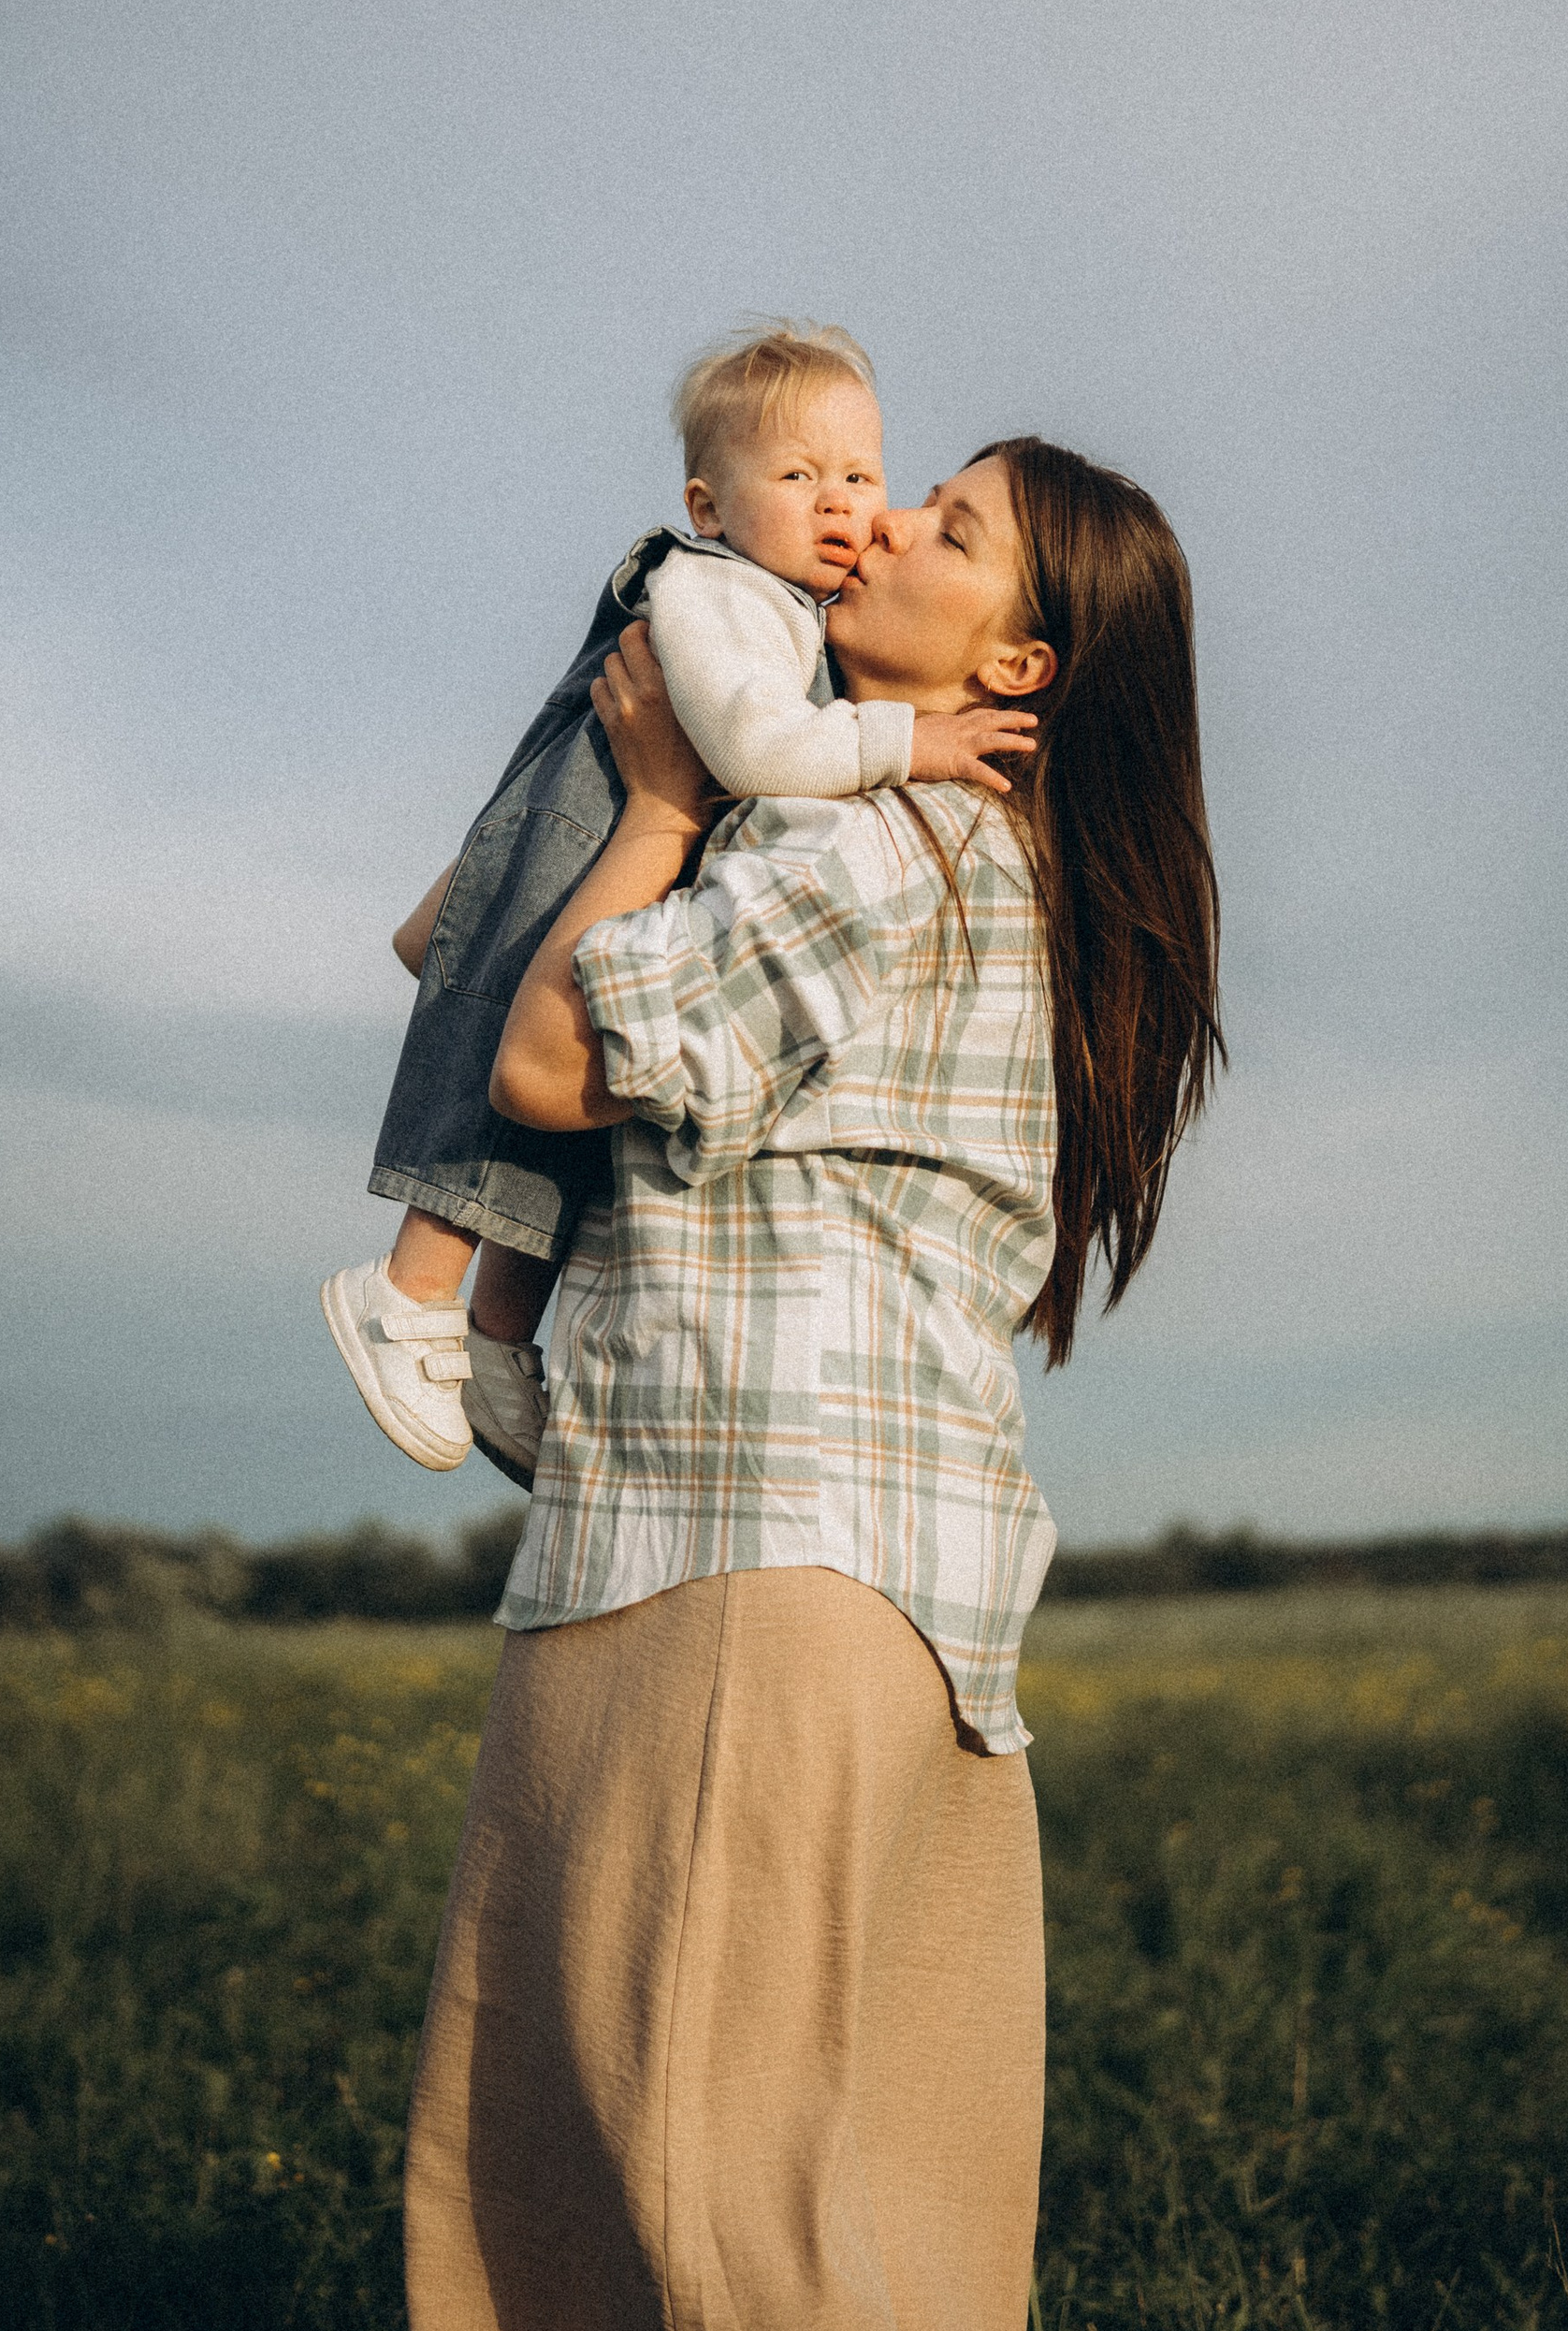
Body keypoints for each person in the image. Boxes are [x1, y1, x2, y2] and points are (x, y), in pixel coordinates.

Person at [398, 434, 1223, 2331]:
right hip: (909, 1591)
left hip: (735, 1544)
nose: (879, 524)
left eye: (949, 527)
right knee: (867, 2163)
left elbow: (543, 1057)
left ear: (1016, 668)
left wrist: (658, 804)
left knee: (673, 2177)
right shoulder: (1007, 872)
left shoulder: (873, 844)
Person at [320, 323, 1037, 1484]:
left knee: (594, 1095)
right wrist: (911, 741)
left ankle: (496, 1335)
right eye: (796, 476)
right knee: (522, 1053)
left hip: (624, 852)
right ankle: (410, 1289)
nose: (847, 507)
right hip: (590, 842)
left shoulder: (794, 618)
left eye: (861, 476)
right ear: (708, 506)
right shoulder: (714, 592)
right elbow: (755, 748)